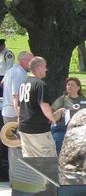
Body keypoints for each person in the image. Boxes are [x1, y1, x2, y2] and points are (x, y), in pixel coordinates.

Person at [18, 57, 64, 157]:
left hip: (24, 127)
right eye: (45, 67)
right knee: (46, 160)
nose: (46, 69)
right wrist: (54, 120)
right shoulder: (40, 84)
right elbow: (44, 105)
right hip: (38, 130)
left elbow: (20, 106)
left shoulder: (23, 83)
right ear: (39, 67)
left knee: (30, 160)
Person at [1, 51, 33, 185]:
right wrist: (20, 116)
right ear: (24, 61)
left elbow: (2, 83)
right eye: (31, 60)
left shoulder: (12, 70)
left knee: (14, 148)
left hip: (8, 112)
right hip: (14, 114)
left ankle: (16, 179)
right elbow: (16, 97)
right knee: (18, 147)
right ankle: (18, 180)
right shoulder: (19, 74)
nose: (32, 63)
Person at [51, 77, 86, 153]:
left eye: (72, 85)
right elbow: (52, 118)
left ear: (78, 88)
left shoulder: (85, 101)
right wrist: (59, 112)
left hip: (80, 129)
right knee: (58, 140)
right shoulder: (62, 100)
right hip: (63, 128)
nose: (69, 86)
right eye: (68, 85)